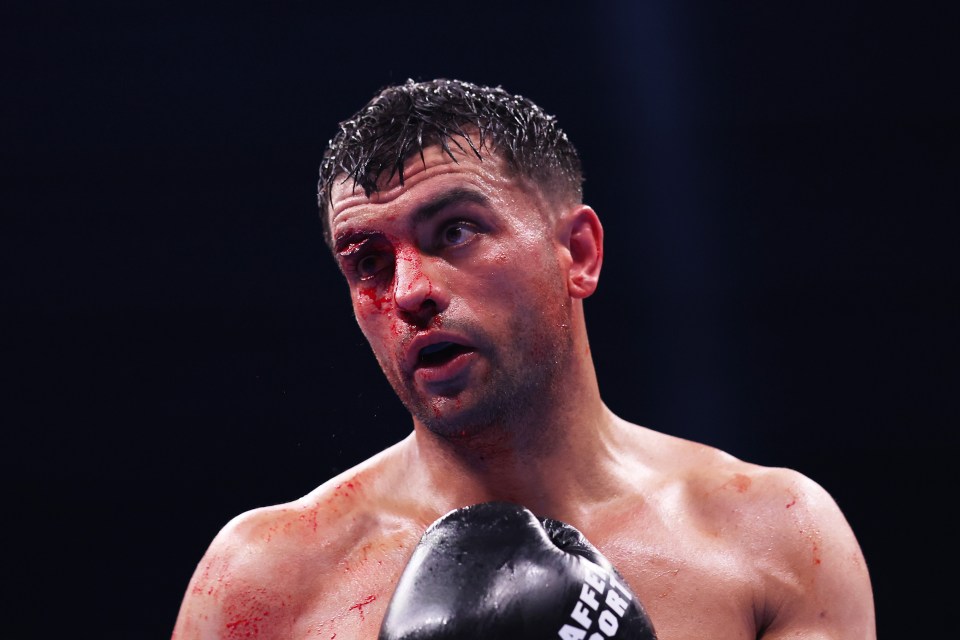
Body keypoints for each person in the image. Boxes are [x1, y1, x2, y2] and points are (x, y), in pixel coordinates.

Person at [171, 78, 876, 640]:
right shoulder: (261, 584)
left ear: (579, 253)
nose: (409, 292)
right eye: (370, 263)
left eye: (455, 231)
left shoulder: (776, 537)